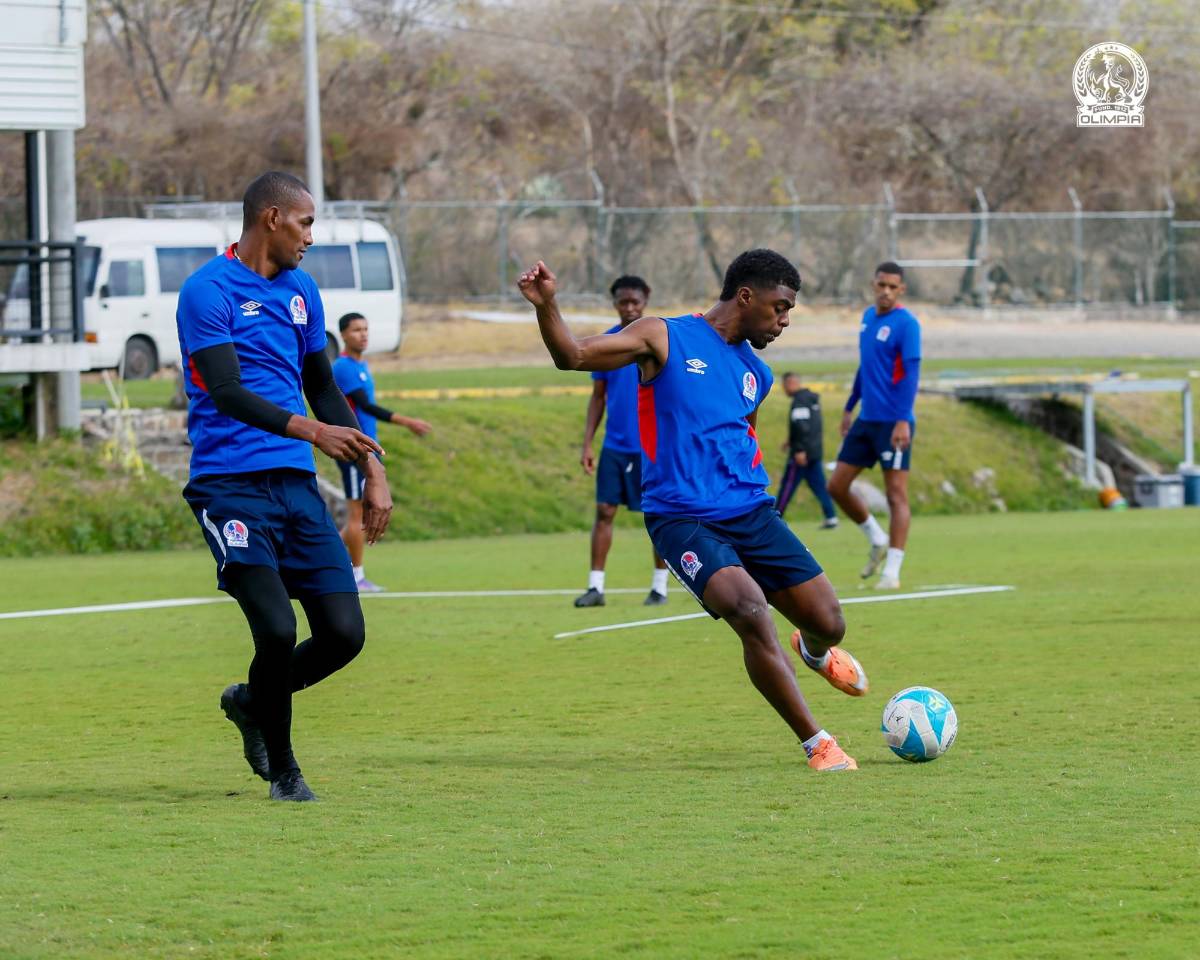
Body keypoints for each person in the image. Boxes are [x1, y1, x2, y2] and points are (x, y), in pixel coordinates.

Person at [519, 250, 869, 772]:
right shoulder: (662, 336)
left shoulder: (758, 373)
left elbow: (737, 431)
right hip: (681, 518)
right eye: (780, 308)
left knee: (830, 622)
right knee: (749, 609)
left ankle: (814, 651)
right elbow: (573, 354)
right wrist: (548, 305)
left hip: (751, 511)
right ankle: (817, 743)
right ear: (745, 296)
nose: (784, 321)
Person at [176, 171, 393, 802]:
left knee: (344, 635)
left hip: (296, 486)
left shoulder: (301, 291)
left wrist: (372, 467)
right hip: (229, 486)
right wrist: (311, 431)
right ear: (271, 218)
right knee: (273, 630)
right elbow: (226, 390)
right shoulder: (206, 290)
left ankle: (251, 702)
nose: (310, 237)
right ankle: (287, 772)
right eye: (305, 223)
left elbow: (323, 388)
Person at [576, 275, 669, 608]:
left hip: (652, 446)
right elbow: (598, 397)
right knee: (604, 511)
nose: (629, 308)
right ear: (614, 303)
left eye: (635, 302)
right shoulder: (606, 343)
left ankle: (660, 587)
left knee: (658, 514)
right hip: (615, 445)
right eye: (623, 302)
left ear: (645, 300)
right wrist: (587, 443)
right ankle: (595, 587)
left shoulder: (660, 340)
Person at [827, 261, 921, 591]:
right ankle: (876, 537)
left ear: (901, 290)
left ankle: (892, 571)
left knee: (896, 495)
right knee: (836, 485)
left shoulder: (907, 324)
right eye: (881, 285)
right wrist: (850, 407)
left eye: (892, 287)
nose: (885, 291)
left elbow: (910, 376)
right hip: (866, 419)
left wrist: (902, 420)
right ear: (874, 284)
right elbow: (866, 367)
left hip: (894, 422)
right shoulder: (868, 318)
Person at [332, 311, 432, 593]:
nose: (362, 334)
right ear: (343, 335)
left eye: (365, 329)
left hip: (368, 450)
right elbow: (366, 407)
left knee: (360, 516)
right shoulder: (343, 367)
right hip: (354, 450)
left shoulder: (362, 366)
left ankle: (308, 557)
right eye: (355, 330)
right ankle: (356, 577)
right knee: (355, 516)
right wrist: (407, 421)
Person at [775, 372, 837, 528]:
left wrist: (799, 449)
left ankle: (776, 517)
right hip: (815, 451)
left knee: (788, 485)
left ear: (790, 383)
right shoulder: (811, 399)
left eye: (784, 385)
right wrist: (790, 441)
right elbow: (811, 426)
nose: (784, 389)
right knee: (819, 485)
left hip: (802, 454)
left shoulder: (800, 401)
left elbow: (802, 425)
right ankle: (831, 517)